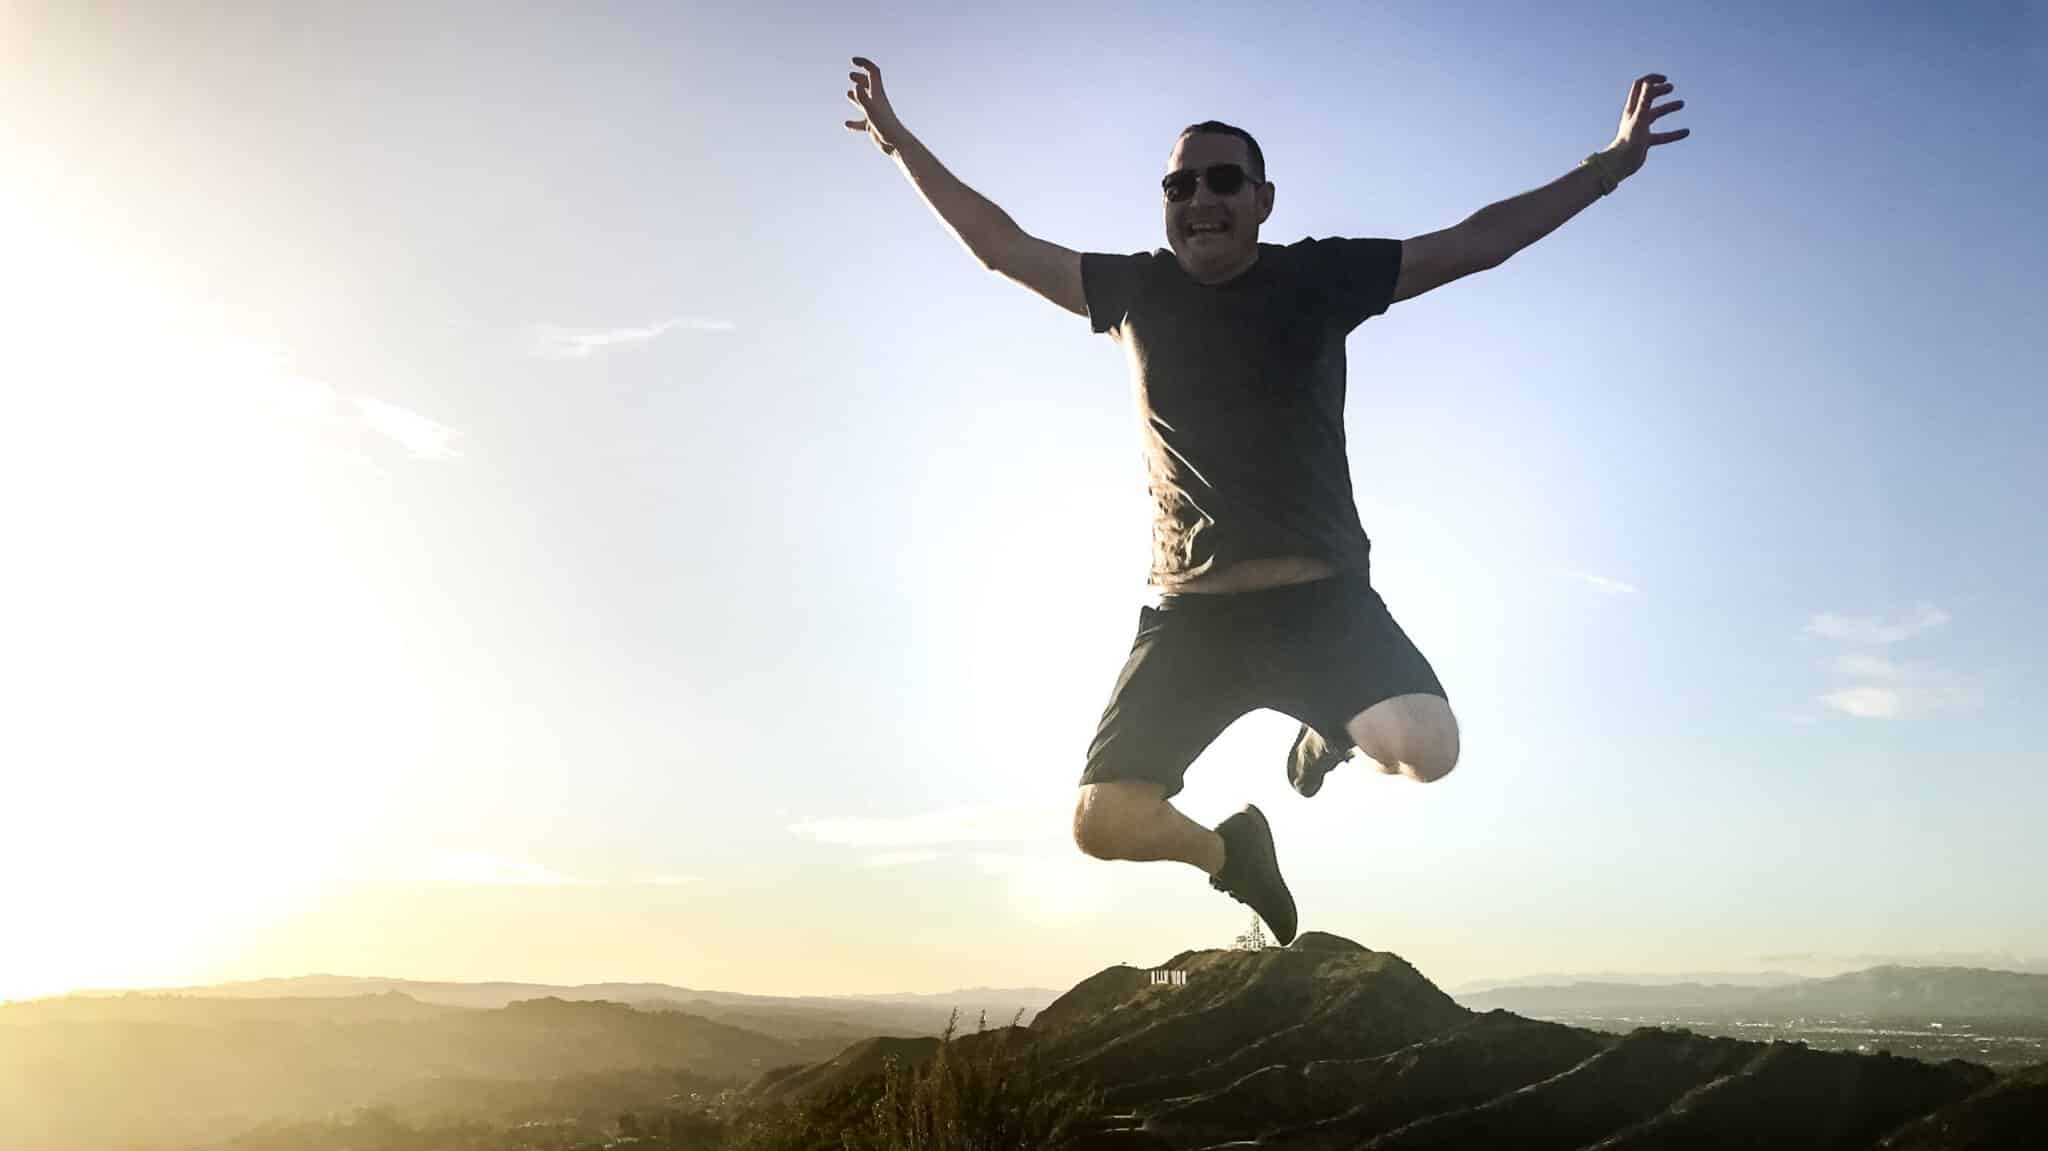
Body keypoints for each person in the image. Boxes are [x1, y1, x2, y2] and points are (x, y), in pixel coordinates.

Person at [843, 57, 1689, 945]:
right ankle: (1236, 855)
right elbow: (1003, 245)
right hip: (1191, 618)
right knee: (1100, 822)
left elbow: (1474, 241)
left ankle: (1331, 730)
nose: (1199, 198)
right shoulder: (1133, 291)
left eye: (1222, 181)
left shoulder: (1318, 278)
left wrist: (1608, 168)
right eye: (1179, 183)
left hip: (1319, 604)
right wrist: (900, 142)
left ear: (1262, 199)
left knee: (1430, 747)